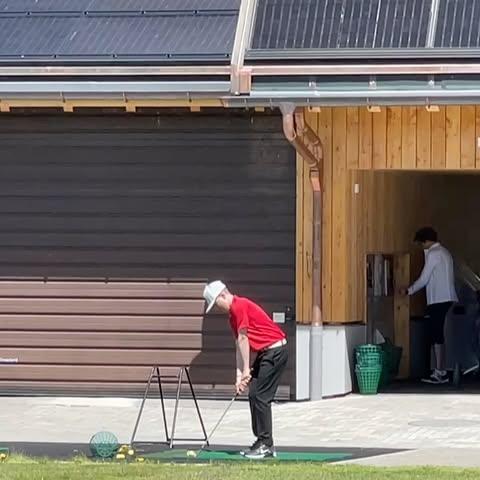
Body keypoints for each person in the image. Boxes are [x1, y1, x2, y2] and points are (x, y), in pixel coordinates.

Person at [203, 280, 288, 459]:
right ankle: (261, 440)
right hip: (266, 353)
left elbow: (244, 339)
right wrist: (239, 375)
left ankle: (267, 445)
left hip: (276, 351)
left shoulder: (239, 306)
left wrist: (247, 370)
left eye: (216, 303)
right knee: (253, 394)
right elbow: (238, 345)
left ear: (223, 295)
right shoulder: (232, 316)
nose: (217, 308)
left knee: (260, 396)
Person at [402, 227, 458, 384]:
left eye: (421, 244)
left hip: (438, 299)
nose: (421, 247)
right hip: (447, 297)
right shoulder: (445, 252)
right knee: (439, 334)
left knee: (436, 334)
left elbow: (424, 278)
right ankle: (441, 370)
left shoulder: (433, 254)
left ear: (426, 241)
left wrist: (409, 290)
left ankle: (440, 372)